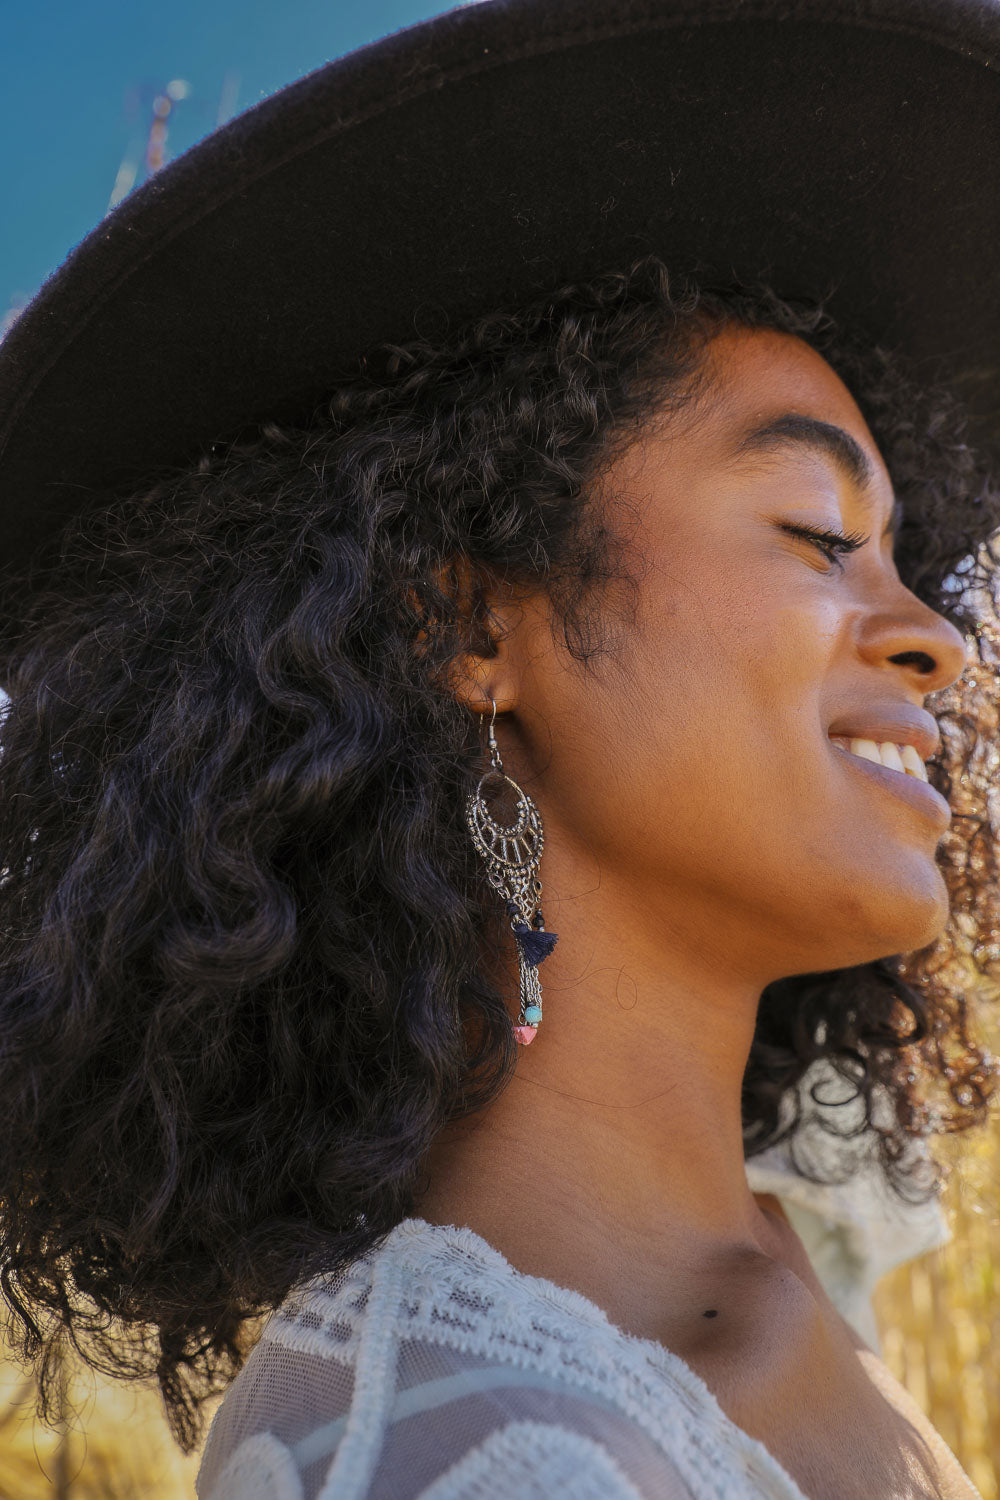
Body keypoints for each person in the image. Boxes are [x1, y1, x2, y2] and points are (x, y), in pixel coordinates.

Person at [0, 3, 997, 1497]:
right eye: (817, 531)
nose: (937, 640)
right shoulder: (465, 1444)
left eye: (905, 559)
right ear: (470, 627)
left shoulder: (785, 1275)